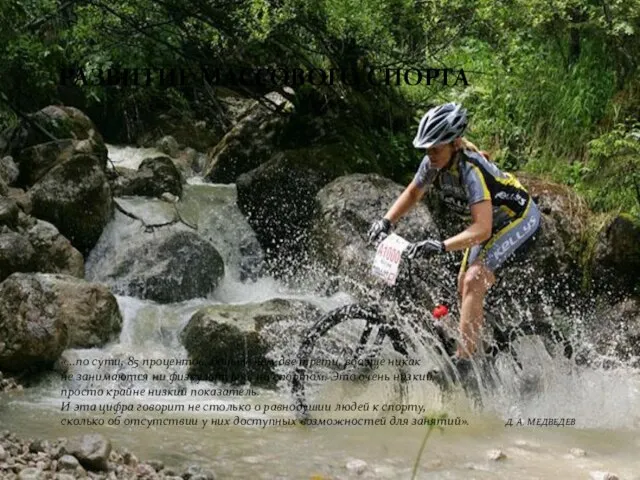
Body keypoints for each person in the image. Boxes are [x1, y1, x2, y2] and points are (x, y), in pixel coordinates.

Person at [367, 102, 541, 384]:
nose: (430, 155)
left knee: (474, 280)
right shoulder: (434, 163)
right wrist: (386, 221)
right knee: (462, 286)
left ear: (453, 144)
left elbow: (482, 229)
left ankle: (464, 365)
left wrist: (441, 245)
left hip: (518, 220)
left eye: (435, 149)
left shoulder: (472, 171)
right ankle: (480, 351)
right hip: (489, 226)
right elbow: (413, 192)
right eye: (426, 149)